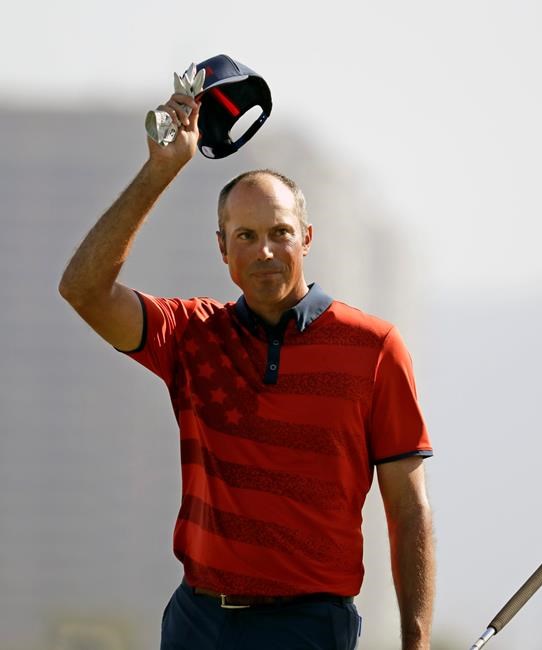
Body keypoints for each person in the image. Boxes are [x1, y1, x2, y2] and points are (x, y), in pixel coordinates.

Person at [59, 90, 435, 650]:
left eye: (280, 232)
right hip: (197, 622)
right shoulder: (190, 335)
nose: (265, 251)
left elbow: (407, 507)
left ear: (305, 238)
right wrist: (162, 169)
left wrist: (416, 640)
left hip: (308, 627)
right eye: (246, 237)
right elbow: (83, 289)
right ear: (222, 250)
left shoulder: (374, 348)